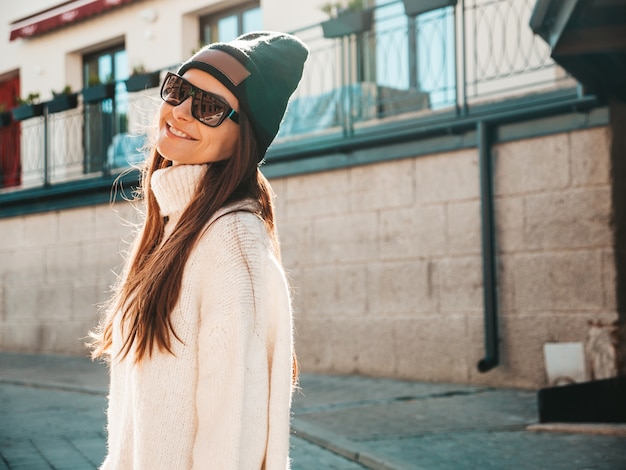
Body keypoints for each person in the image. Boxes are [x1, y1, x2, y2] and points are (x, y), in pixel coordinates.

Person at [89, 31, 308, 469]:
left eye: (209, 107)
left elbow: (231, 438)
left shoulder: (231, 242)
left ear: (244, 138)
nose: (181, 111)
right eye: (179, 90)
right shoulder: (174, 225)